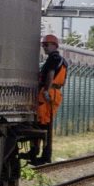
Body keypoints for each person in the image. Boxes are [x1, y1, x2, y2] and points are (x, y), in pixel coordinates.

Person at [30, 34, 69, 164]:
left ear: (54, 45)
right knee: (46, 124)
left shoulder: (54, 58)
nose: (44, 48)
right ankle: (42, 154)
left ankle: (42, 154)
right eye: (43, 45)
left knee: (42, 123)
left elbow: (51, 74)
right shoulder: (61, 60)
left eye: (46, 45)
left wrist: (46, 90)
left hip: (49, 93)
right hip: (55, 92)